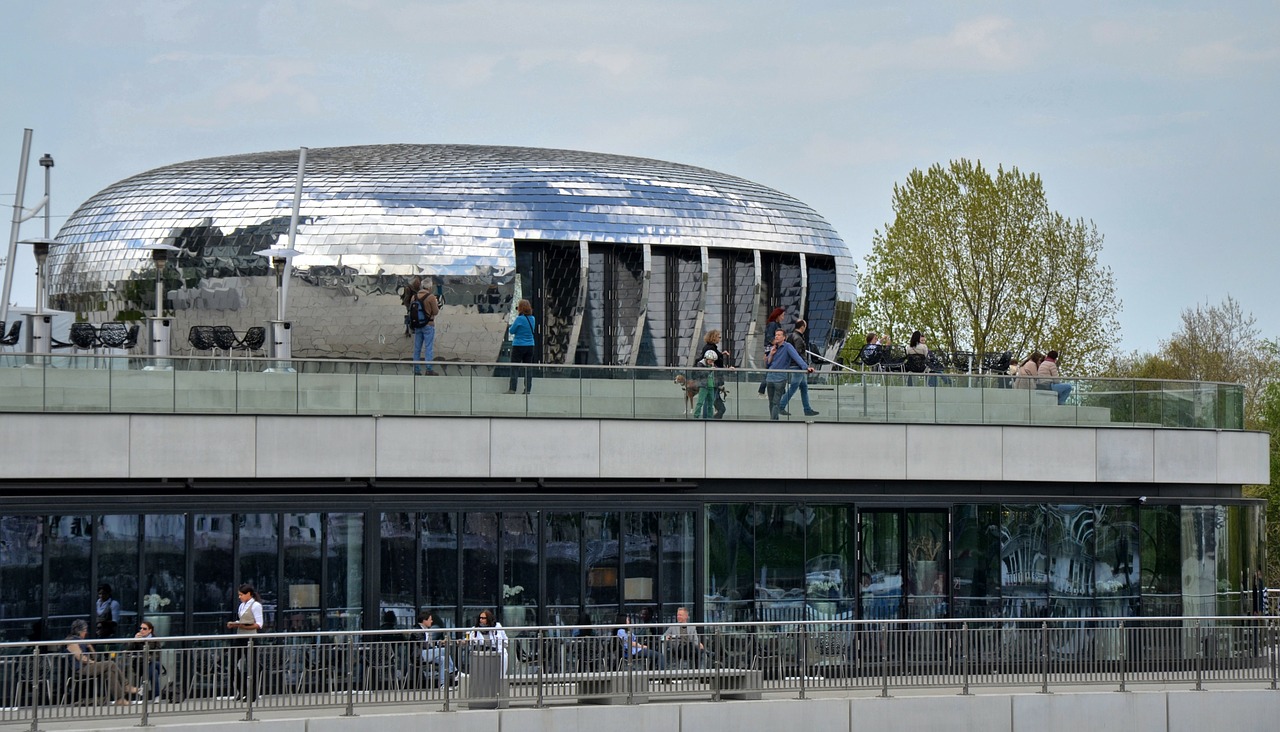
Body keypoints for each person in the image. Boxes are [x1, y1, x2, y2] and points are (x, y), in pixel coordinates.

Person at [64, 618, 140, 705]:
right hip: (80, 670)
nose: (86, 632)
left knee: (109, 672)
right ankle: (126, 686)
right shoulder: (71, 641)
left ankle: (120, 699)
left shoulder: (82, 641)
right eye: (85, 630)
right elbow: (80, 657)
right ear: (79, 631)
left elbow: (95, 657)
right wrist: (93, 663)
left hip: (87, 667)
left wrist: (90, 646)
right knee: (110, 663)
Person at [764, 328, 813, 420]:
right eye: (776, 335)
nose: (776, 337)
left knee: (775, 402)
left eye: (779, 335)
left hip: (780, 378)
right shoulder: (774, 348)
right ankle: (773, 419)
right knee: (771, 402)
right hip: (770, 377)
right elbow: (768, 364)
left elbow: (797, 357)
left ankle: (773, 421)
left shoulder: (787, 346)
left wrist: (806, 367)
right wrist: (771, 354)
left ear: (784, 337)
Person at [226, 584, 263, 701]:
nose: (240, 597)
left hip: (250, 638)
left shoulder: (256, 605)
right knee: (232, 664)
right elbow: (242, 620)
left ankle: (251, 694)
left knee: (252, 666)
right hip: (240, 637)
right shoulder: (242, 605)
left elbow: (259, 624)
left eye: (241, 595)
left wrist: (242, 626)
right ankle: (242, 689)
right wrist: (235, 623)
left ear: (249, 594)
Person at [777, 319, 819, 417]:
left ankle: (807, 409)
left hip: (795, 366)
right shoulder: (798, 338)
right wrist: (805, 366)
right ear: (802, 327)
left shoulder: (791, 336)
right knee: (794, 387)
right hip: (798, 367)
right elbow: (798, 354)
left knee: (804, 387)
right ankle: (781, 406)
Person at [693, 329, 733, 419]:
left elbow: (714, 360)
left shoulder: (711, 348)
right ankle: (707, 419)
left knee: (712, 403)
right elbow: (712, 363)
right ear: (714, 337)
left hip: (712, 381)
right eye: (719, 337)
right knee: (708, 402)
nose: (720, 339)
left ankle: (708, 419)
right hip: (710, 381)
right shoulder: (710, 348)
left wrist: (721, 355)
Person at [417, 611, 457, 687]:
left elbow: (428, 644)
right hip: (420, 655)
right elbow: (422, 644)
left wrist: (438, 644)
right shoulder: (417, 629)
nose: (431, 621)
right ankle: (455, 672)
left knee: (443, 659)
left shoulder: (425, 629)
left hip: (426, 653)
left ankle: (443, 684)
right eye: (430, 619)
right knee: (444, 650)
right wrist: (435, 648)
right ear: (424, 620)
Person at [409, 285, 441, 376]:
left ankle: (416, 370)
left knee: (417, 348)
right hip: (428, 325)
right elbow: (435, 312)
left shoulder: (414, 297)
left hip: (417, 325)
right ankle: (429, 369)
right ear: (429, 287)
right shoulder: (431, 297)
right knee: (428, 347)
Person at [507, 299, 536, 394]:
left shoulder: (519, 319)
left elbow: (512, 331)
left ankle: (512, 389)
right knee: (528, 368)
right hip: (530, 345)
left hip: (519, 345)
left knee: (515, 367)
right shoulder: (532, 318)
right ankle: (527, 389)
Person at [466, 610, 508, 676]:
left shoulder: (497, 626)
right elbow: (470, 640)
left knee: (499, 673)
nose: (481, 620)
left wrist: (500, 644)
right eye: (480, 618)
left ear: (488, 618)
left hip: (497, 652)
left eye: (483, 618)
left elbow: (505, 639)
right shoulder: (475, 629)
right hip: (483, 653)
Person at [757, 307, 786, 396]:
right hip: (771, 349)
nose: (783, 318)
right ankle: (762, 390)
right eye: (782, 315)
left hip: (773, 348)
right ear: (778, 315)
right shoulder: (773, 324)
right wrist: (777, 343)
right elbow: (769, 337)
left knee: (773, 369)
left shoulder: (777, 325)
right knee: (771, 369)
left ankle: (779, 389)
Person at [132, 620, 164, 700]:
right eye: (141, 628)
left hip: (152, 662)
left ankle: (143, 686)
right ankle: (157, 696)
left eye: (144, 629)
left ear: (150, 630)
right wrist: (134, 641)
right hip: (141, 665)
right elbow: (129, 649)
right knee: (155, 672)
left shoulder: (155, 640)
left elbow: (157, 654)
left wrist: (149, 658)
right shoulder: (137, 638)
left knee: (153, 665)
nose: (141, 630)